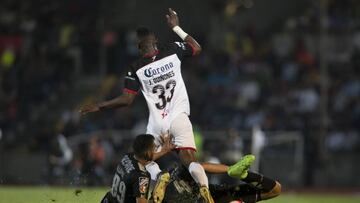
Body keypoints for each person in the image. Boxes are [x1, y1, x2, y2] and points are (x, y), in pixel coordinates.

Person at [80, 8, 253, 203]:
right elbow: (196, 48)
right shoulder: (173, 50)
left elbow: (127, 100)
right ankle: (205, 189)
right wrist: (176, 27)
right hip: (178, 117)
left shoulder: (136, 68)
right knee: (189, 160)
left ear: (139, 48)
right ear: (156, 43)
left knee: (146, 160)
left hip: (156, 123)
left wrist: (100, 105)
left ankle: (160, 176)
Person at [100, 134, 174, 203]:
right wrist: (154, 200)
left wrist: (164, 151)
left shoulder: (128, 157)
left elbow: (145, 158)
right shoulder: (142, 177)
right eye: (153, 148)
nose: (154, 150)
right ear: (147, 151)